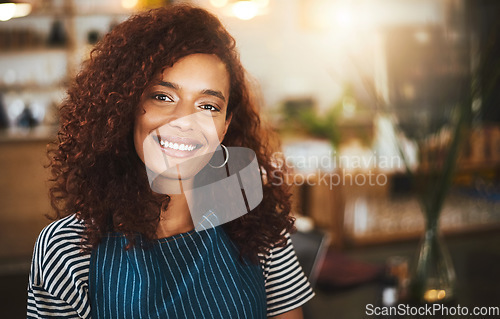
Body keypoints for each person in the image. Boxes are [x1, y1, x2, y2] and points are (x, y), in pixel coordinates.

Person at [27, 4, 314, 319]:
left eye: (208, 106)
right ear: (126, 107)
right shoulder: (67, 248)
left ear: (225, 125)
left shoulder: (257, 225)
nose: (185, 121)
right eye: (163, 97)